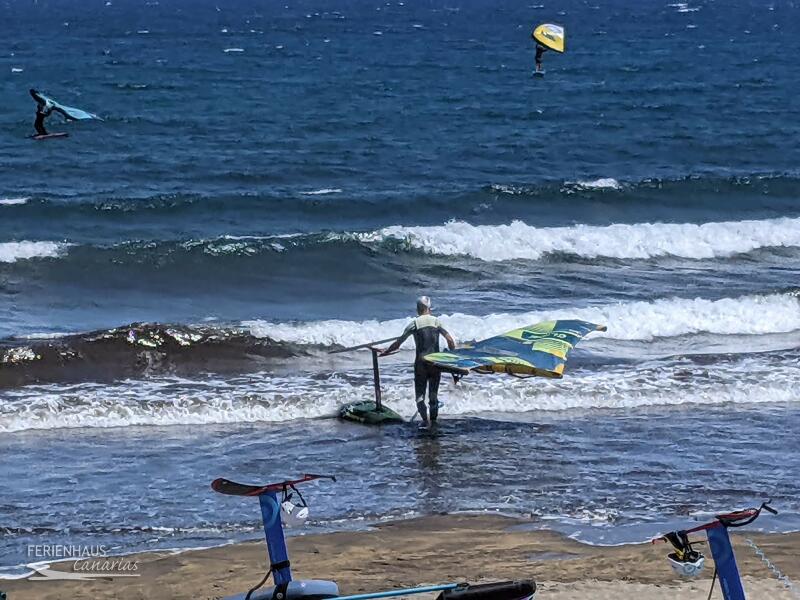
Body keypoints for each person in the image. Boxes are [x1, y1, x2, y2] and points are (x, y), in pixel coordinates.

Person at [381, 296, 455, 426]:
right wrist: (454, 355)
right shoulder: (437, 322)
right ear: (429, 308)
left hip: (421, 363)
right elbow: (450, 340)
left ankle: (425, 421)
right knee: (433, 396)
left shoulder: (414, 324)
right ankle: (433, 422)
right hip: (435, 363)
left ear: (417, 309)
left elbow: (398, 343)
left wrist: (385, 351)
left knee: (420, 397)